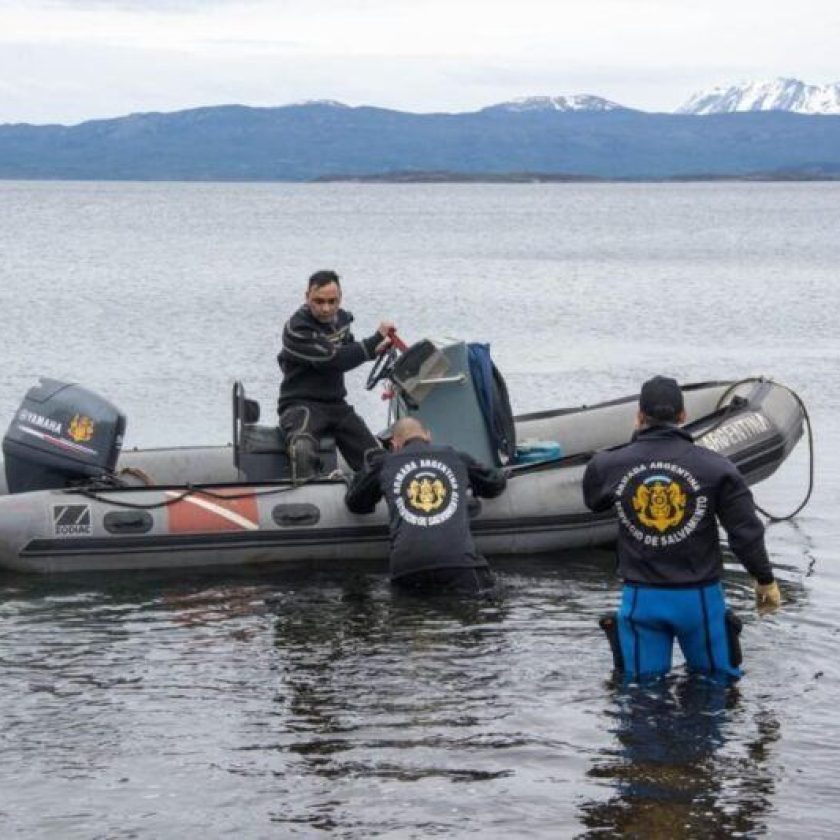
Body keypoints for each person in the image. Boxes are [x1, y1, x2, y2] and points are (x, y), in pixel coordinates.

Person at [582, 375, 781, 681]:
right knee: (716, 687)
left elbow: (594, 500)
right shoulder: (716, 468)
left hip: (641, 598)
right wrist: (765, 580)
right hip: (698, 600)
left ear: (639, 416)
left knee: (640, 692)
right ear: (683, 417)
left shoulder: (608, 465)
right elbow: (745, 532)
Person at [344, 417, 507, 595]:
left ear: (395, 444)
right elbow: (495, 484)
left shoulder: (384, 464)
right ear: (428, 437)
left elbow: (356, 503)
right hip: (459, 564)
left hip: (407, 569)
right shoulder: (456, 457)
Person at [278, 269, 395, 479]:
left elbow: (346, 350)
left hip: (336, 405)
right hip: (300, 403)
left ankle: (374, 496)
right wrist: (374, 340)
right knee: (302, 447)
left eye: (332, 301)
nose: (326, 308)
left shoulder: (341, 320)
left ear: (340, 299)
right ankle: (305, 500)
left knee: (376, 458)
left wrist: (375, 351)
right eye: (319, 301)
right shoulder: (297, 328)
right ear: (307, 297)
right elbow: (332, 360)